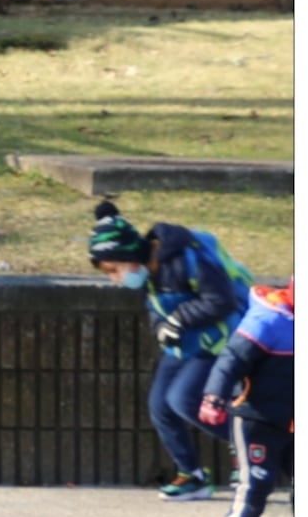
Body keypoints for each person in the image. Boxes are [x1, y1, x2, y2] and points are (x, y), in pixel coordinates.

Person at [86, 199, 252, 500]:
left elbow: (221, 300)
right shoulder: (149, 276)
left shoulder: (185, 260)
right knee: (160, 405)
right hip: (185, 346)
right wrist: (163, 329)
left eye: (114, 270)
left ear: (128, 258)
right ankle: (192, 475)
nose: (114, 278)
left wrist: (179, 319)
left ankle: (250, 444)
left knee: (184, 399)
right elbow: (156, 310)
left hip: (218, 342)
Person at [198, 282, 294, 517]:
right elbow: (231, 360)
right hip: (256, 419)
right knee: (256, 481)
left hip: (294, 421)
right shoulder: (268, 320)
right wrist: (213, 397)